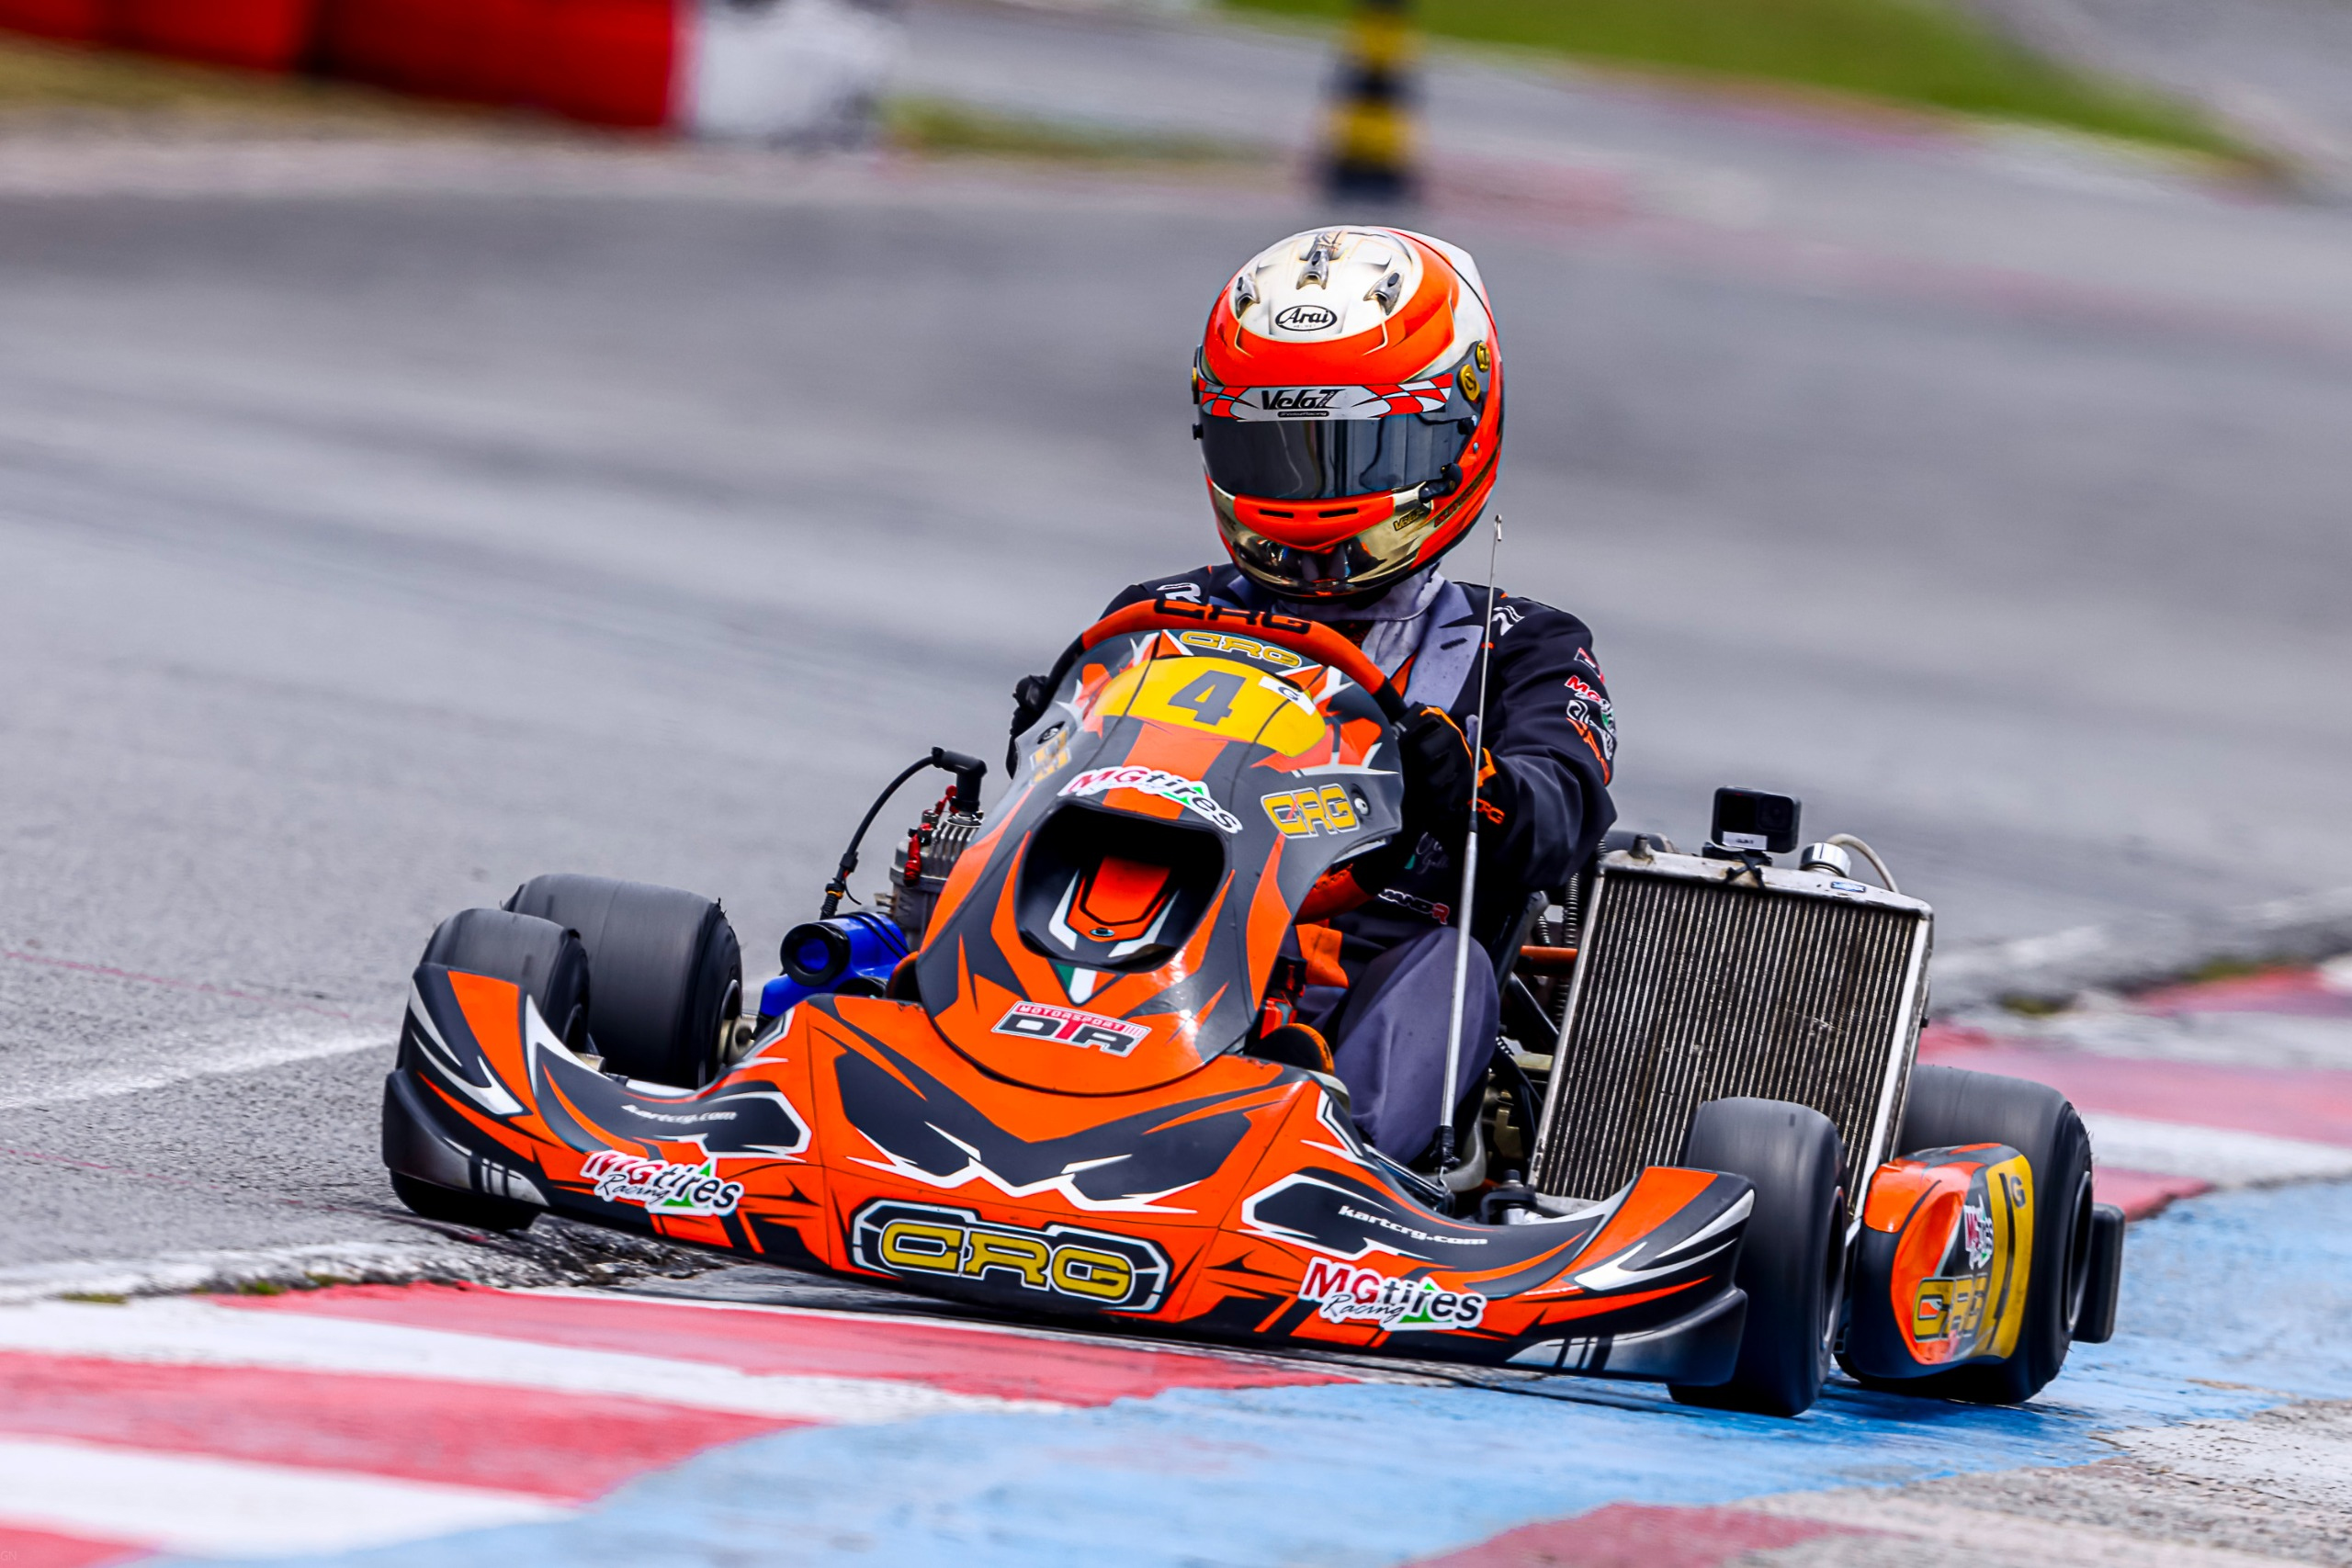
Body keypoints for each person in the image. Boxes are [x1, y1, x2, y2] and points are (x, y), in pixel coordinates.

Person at [1018, 226, 1616, 1168]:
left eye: (1359, 453)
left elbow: (1561, 817)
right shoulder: (1156, 617)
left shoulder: (1522, 647)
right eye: (1276, 456)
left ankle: (1346, 1163)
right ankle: (967, 1056)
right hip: (1151, 943)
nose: (1307, 501)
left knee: (1450, 967)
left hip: (1358, 989)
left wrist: (1468, 780)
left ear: (1455, 432)